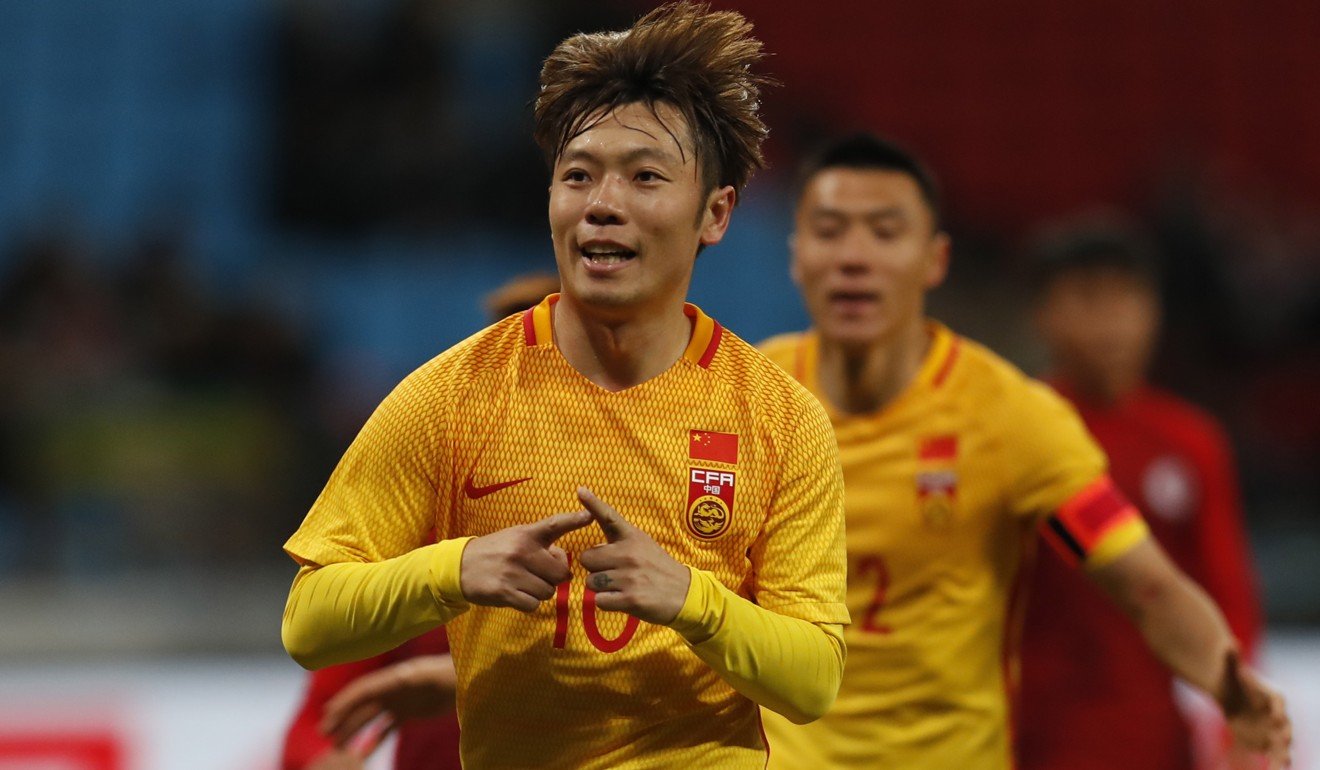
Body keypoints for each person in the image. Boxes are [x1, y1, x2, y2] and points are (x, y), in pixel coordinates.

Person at [280, 5, 849, 769]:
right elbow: (308, 625)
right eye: (577, 174)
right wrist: (454, 569)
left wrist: (691, 598)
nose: (601, 203)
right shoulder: (450, 394)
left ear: (715, 212)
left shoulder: (781, 418)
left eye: (645, 176)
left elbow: (813, 680)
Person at [756, 133, 1291, 769]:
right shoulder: (747, 399)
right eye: (830, 230)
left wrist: (1230, 687)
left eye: (884, 230)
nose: (854, 256)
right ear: (795, 256)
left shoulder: (1011, 417)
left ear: (935, 260)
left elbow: (1148, 586)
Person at [280, 274, 559, 770]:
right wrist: (326, 758)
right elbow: (319, 717)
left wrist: (462, 680)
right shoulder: (416, 533)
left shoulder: (640, 521)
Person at [1018, 221, 1265, 770]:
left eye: (1126, 299)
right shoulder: (1013, 431)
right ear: (1043, 315)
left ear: (1155, 311)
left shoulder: (1190, 440)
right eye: (1086, 299)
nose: (1110, 322)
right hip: (1024, 733)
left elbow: (1228, 590)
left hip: (1151, 737)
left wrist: (1238, 713)